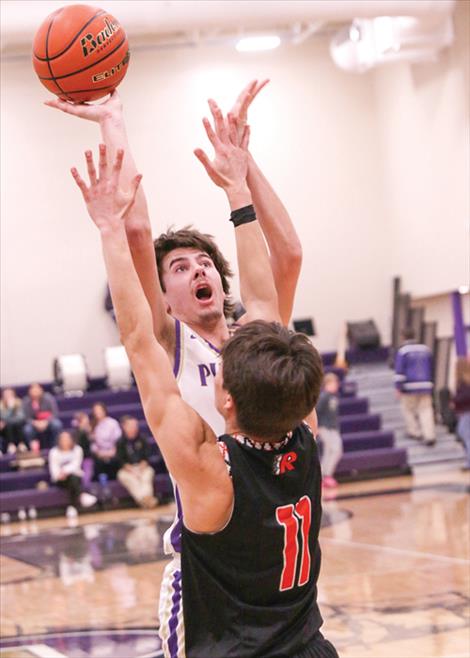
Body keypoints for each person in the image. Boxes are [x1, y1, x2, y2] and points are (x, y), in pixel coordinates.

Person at [71, 143, 337, 658]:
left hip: (222, 609)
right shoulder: (301, 424)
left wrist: (107, 228)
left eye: (205, 264)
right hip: (302, 633)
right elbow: (262, 300)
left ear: (227, 401)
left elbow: (133, 337)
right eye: (181, 268)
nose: (198, 272)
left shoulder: (206, 463)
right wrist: (237, 189)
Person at [394, 328, 436, 446]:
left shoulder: (403, 351)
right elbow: (432, 367)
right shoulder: (425, 349)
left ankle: (414, 432)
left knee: (408, 409)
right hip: (426, 384)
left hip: (409, 385)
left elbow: (400, 370)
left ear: (403, 337)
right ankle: (429, 435)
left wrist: (398, 387)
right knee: (426, 410)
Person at [48, 430, 97, 517]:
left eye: (67, 439)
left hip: (75, 476)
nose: (65, 441)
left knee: (73, 478)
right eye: (63, 439)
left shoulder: (78, 449)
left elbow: (76, 464)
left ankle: (72, 507)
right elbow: (53, 468)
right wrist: (59, 475)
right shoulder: (53, 452)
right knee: (72, 480)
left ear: (71, 440)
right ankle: (81, 496)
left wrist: (65, 471)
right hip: (60, 479)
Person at [116, 415, 157, 508]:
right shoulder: (120, 442)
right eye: (131, 426)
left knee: (147, 475)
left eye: (135, 426)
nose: (134, 428)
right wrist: (132, 471)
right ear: (124, 427)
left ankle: (144, 499)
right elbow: (121, 461)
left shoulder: (142, 439)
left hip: (142, 467)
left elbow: (146, 457)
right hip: (128, 470)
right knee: (127, 478)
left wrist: (141, 468)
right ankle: (147, 499)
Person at [316, 373, 344, 488]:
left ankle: (325, 475)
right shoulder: (324, 397)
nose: (336, 385)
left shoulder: (334, 396)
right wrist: (316, 427)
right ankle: (325, 475)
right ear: (327, 384)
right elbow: (317, 411)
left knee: (332, 451)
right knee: (334, 450)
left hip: (333, 427)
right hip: (325, 427)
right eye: (333, 383)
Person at [22, 383, 63, 449]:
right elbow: (26, 418)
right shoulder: (26, 401)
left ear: (41, 390)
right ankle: (33, 449)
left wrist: (46, 422)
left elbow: (55, 413)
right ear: (29, 392)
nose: (35, 392)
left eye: (37, 389)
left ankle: (55, 447)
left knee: (57, 425)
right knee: (27, 430)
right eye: (33, 390)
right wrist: (35, 423)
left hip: (47, 422)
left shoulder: (48, 398)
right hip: (34, 424)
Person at [89, 402, 121, 480]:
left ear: (104, 410)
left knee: (115, 461)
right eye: (95, 411)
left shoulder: (113, 423)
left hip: (113, 452)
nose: (97, 412)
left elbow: (118, 440)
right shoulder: (92, 425)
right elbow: (92, 444)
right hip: (99, 454)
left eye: (99, 410)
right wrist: (99, 453)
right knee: (96, 463)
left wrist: (112, 452)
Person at [453, 356, 470, 469]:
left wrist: (454, 399)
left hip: (466, 413)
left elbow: (465, 397)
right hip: (466, 412)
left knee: (466, 436)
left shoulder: (464, 382)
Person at [0, 387, 26, 453]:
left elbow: (21, 417)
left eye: (10, 394)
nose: (8, 396)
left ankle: (21, 444)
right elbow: (2, 417)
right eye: (6, 395)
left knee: (16, 424)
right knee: (9, 425)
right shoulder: (1, 405)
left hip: (17, 426)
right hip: (5, 429)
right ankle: (11, 445)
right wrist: (10, 408)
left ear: (13, 395)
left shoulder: (19, 402)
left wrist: (8, 420)